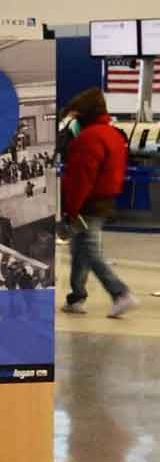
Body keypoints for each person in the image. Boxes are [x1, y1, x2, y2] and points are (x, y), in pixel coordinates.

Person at [60, 87, 137, 318]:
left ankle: (120, 293)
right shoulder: (111, 134)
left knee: (90, 251)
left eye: (75, 115)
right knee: (79, 249)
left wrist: (71, 209)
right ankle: (76, 297)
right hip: (104, 201)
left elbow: (81, 178)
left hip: (88, 204)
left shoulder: (89, 138)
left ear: (84, 113)